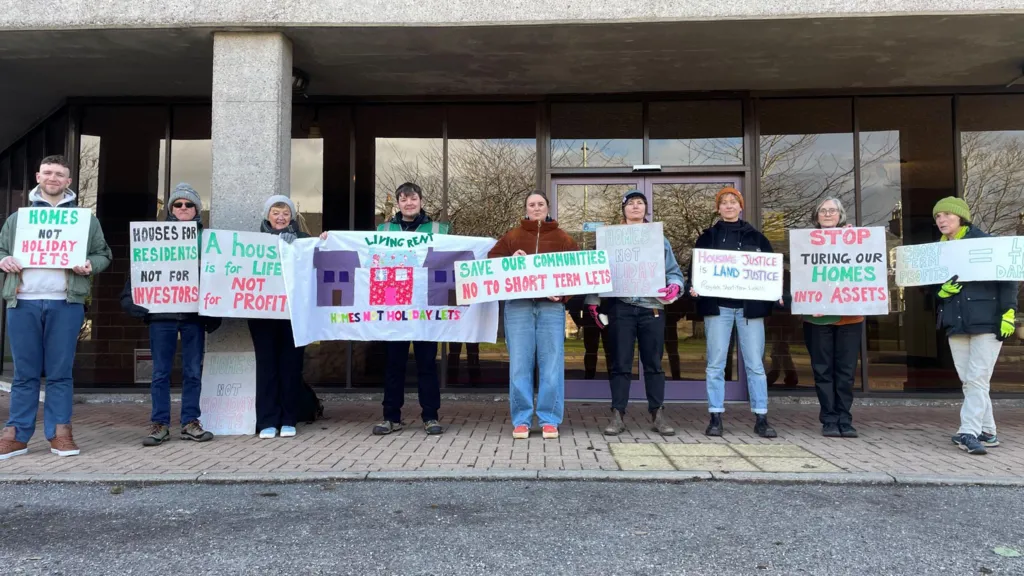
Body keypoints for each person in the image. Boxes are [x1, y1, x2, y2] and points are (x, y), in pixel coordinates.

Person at [0, 155, 112, 460]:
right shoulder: (18, 219)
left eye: (59, 174)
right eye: (47, 172)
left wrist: (91, 265)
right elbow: (0, 250)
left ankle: (60, 433)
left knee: (61, 372)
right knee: (24, 373)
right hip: (23, 302)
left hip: (66, 302)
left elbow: (104, 254)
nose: (53, 178)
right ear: (38, 176)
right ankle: (16, 435)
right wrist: (3, 261)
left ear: (69, 181)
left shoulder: (84, 220)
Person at [120, 183, 221, 446]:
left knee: (192, 372)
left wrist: (215, 311)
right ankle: (160, 424)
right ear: (171, 209)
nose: (184, 208)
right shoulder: (152, 237)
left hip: (194, 316)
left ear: (197, 208)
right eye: (178, 204)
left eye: (189, 204)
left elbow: (218, 277)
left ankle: (190, 422)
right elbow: (139, 272)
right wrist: (130, 300)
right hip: (161, 316)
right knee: (160, 374)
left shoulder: (209, 240)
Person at [585, 190, 684, 436]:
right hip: (621, 307)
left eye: (640, 203)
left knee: (653, 363)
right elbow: (597, 270)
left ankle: (658, 413)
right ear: (624, 210)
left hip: (652, 307)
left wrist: (675, 287)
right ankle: (617, 414)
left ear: (646, 209)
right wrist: (593, 301)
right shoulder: (611, 238)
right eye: (631, 203)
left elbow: (674, 272)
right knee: (620, 363)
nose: (636, 206)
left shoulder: (659, 239)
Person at [689, 186, 781, 439]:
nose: (729, 206)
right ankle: (715, 416)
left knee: (755, 365)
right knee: (715, 364)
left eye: (733, 202)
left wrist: (775, 290)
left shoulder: (758, 238)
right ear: (718, 208)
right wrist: (694, 287)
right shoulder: (707, 237)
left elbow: (771, 272)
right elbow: (695, 270)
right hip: (718, 308)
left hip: (749, 310)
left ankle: (761, 417)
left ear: (741, 207)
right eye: (724, 202)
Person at [931, 197, 1017, 456]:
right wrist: (940, 293)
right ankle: (988, 431)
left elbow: (1007, 277)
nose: (941, 220)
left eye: (946, 215)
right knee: (970, 381)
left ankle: (968, 431)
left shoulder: (986, 243)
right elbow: (932, 288)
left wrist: (1008, 312)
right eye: (937, 216)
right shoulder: (938, 249)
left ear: (961, 218)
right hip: (956, 324)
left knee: (977, 379)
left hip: (987, 322)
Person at [489, 192, 579, 439]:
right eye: (532, 204)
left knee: (551, 364)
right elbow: (492, 262)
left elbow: (578, 272)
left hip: (551, 308)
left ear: (548, 208)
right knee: (520, 363)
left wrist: (562, 295)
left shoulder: (563, 238)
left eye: (541, 204)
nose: (536, 208)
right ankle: (522, 420)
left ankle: (550, 419)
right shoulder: (512, 236)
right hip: (519, 306)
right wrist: (510, 259)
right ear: (526, 209)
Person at [373, 182, 449, 436]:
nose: (409, 203)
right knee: (394, 364)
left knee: (427, 363)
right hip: (395, 305)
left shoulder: (439, 229)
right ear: (397, 204)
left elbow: (454, 257)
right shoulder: (383, 229)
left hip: (425, 306)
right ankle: (391, 417)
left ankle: (430, 416)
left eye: (413, 198)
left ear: (421, 201)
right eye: (404, 199)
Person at [249, 195, 322, 439]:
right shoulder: (251, 243)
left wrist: (321, 240)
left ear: (292, 217)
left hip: (293, 315)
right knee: (266, 367)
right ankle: (267, 420)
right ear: (267, 215)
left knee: (290, 367)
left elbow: (318, 259)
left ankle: (289, 418)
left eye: (286, 213)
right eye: (276, 213)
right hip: (261, 314)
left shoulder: (301, 241)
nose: (281, 218)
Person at [801, 197, 863, 438]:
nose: (827, 214)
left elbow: (865, 270)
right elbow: (801, 276)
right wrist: (808, 301)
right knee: (823, 370)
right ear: (817, 216)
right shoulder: (805, 243)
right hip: (817, 318)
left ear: (841, 215)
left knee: (846, 371)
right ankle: (829, 418)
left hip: (850, 317)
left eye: (832, 211)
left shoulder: (855, 240)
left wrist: (853, 242)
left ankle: (845, 418)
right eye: (823, 211)